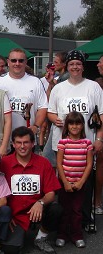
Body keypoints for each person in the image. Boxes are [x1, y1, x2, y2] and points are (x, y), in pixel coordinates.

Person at [47, 50, 103, 230]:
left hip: (86, 143)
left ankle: (84, 219)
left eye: (78, 64)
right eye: (72, 64)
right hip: (63, 143)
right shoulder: (59, 87)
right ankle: (64, 220)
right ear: (67, 66)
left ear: (83, 66)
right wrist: (53, 118)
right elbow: (50, 111)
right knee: (64, 180)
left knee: (86, 180)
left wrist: (100, 139)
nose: (75, 67)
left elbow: (101, 115)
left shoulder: (93, 87)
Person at [0, 127, 62, 254]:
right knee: (10, 249)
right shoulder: (4, 163)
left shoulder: (44, 163)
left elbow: (51, 192)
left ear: (33, 144)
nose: (22, 146)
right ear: (13, 144)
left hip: (37, 210)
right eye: (18, 143)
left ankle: (41, 237)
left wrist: (41, 203)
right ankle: (18, 236)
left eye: (26, 142)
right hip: (15, 215)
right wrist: (6, 215)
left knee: (56, 209)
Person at [56, 112, 93, 248]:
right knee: (65, 210)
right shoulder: (63, 143)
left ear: (83, 125)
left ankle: (77, 235)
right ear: (67, 125)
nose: (74, 126)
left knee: (77, 210)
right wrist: (65, 182)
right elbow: (59, 164)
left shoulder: (87, 143)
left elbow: (89, 164)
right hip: (65, 182)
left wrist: (81, 182)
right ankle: (62, 234)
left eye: (78, 123)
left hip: (80, 182)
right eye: (71, 123)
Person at [0, 48, 48, 136]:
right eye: (14, 60)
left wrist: (36, 126)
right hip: (2, 138)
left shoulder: (35, 82)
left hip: (26, 139)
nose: (17, 64)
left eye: (21, 61)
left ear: (25, 62)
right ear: (8, 62)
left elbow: (43, 107)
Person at [94, 55, 103, 214]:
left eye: (101, 62)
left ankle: (97, 201)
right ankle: (96, 201)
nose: (98, 64)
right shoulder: (97, 84)